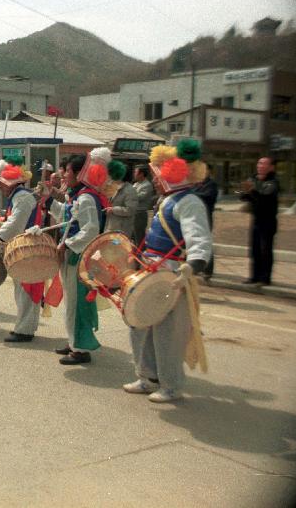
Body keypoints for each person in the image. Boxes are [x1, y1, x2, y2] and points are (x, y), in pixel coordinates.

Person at [123, 139, 212, 403]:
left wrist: (193, 264)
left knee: (168, 332)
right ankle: (147, 376)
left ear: (171, 171)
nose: (154, 178)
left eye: (157, 172)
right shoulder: (169, 199)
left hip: (172, 274)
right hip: (152, 269)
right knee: (140, 324)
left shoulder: (189, 201)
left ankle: (170, 384)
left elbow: (199, 238)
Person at [50, 149, 110, 365]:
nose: (63, 174)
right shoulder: (78, 196)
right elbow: (69, 219)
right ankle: (74, 341)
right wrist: (49, 202)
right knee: (71, 301)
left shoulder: (86, 198)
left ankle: (81, 349)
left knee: (77, 303)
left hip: (79, 256)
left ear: (78, 173)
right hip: (72, 254)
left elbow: (91, 229)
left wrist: (67, 243)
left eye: (66, 171)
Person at [0, 158, 45, 342]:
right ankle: (25, 327)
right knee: (23, 289)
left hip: (28, 248)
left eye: (0, 183)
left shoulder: (21, 196)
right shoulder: (19, 195)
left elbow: (15, 224)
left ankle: (25, 330)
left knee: (26, 289)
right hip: (24, 247)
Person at [240, 157, 279, 285]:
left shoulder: (273, 181)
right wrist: (245, 191)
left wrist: (253, 190)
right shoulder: (254, 178)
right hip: (256, 219)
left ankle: (265, 278)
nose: (260, 166)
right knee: (255, 249)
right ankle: (254, 276)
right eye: (259, 163)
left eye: (263, 164)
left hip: (268, 220)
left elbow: (265, 197)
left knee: (265, 250)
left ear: (271, 167)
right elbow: (242, 195)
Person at [193, 173, 219, 278]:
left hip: (206, 215)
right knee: (195, 242)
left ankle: (208, 270)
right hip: (196, 216)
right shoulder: (196, 184)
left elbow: (208, 196)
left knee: (205, 242)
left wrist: (193, 194)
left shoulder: (211, 185)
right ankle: (197, 266)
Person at [104, 160, 137, 239]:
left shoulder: (129, 190)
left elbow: (130, 210)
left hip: (122, 230)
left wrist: (113, 209)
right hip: (112, 226)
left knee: (117, 249)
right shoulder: (116, 186)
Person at [132, 165, 155, 246]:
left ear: (141, 174)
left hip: (140, 214)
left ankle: (140, 255)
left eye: (135, 172)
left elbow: (138, 197)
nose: (134, 174)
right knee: (133, 237)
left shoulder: (147, 185)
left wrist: (129, 195)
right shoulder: (135, 184)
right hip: (133, 213)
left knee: (139, 236)